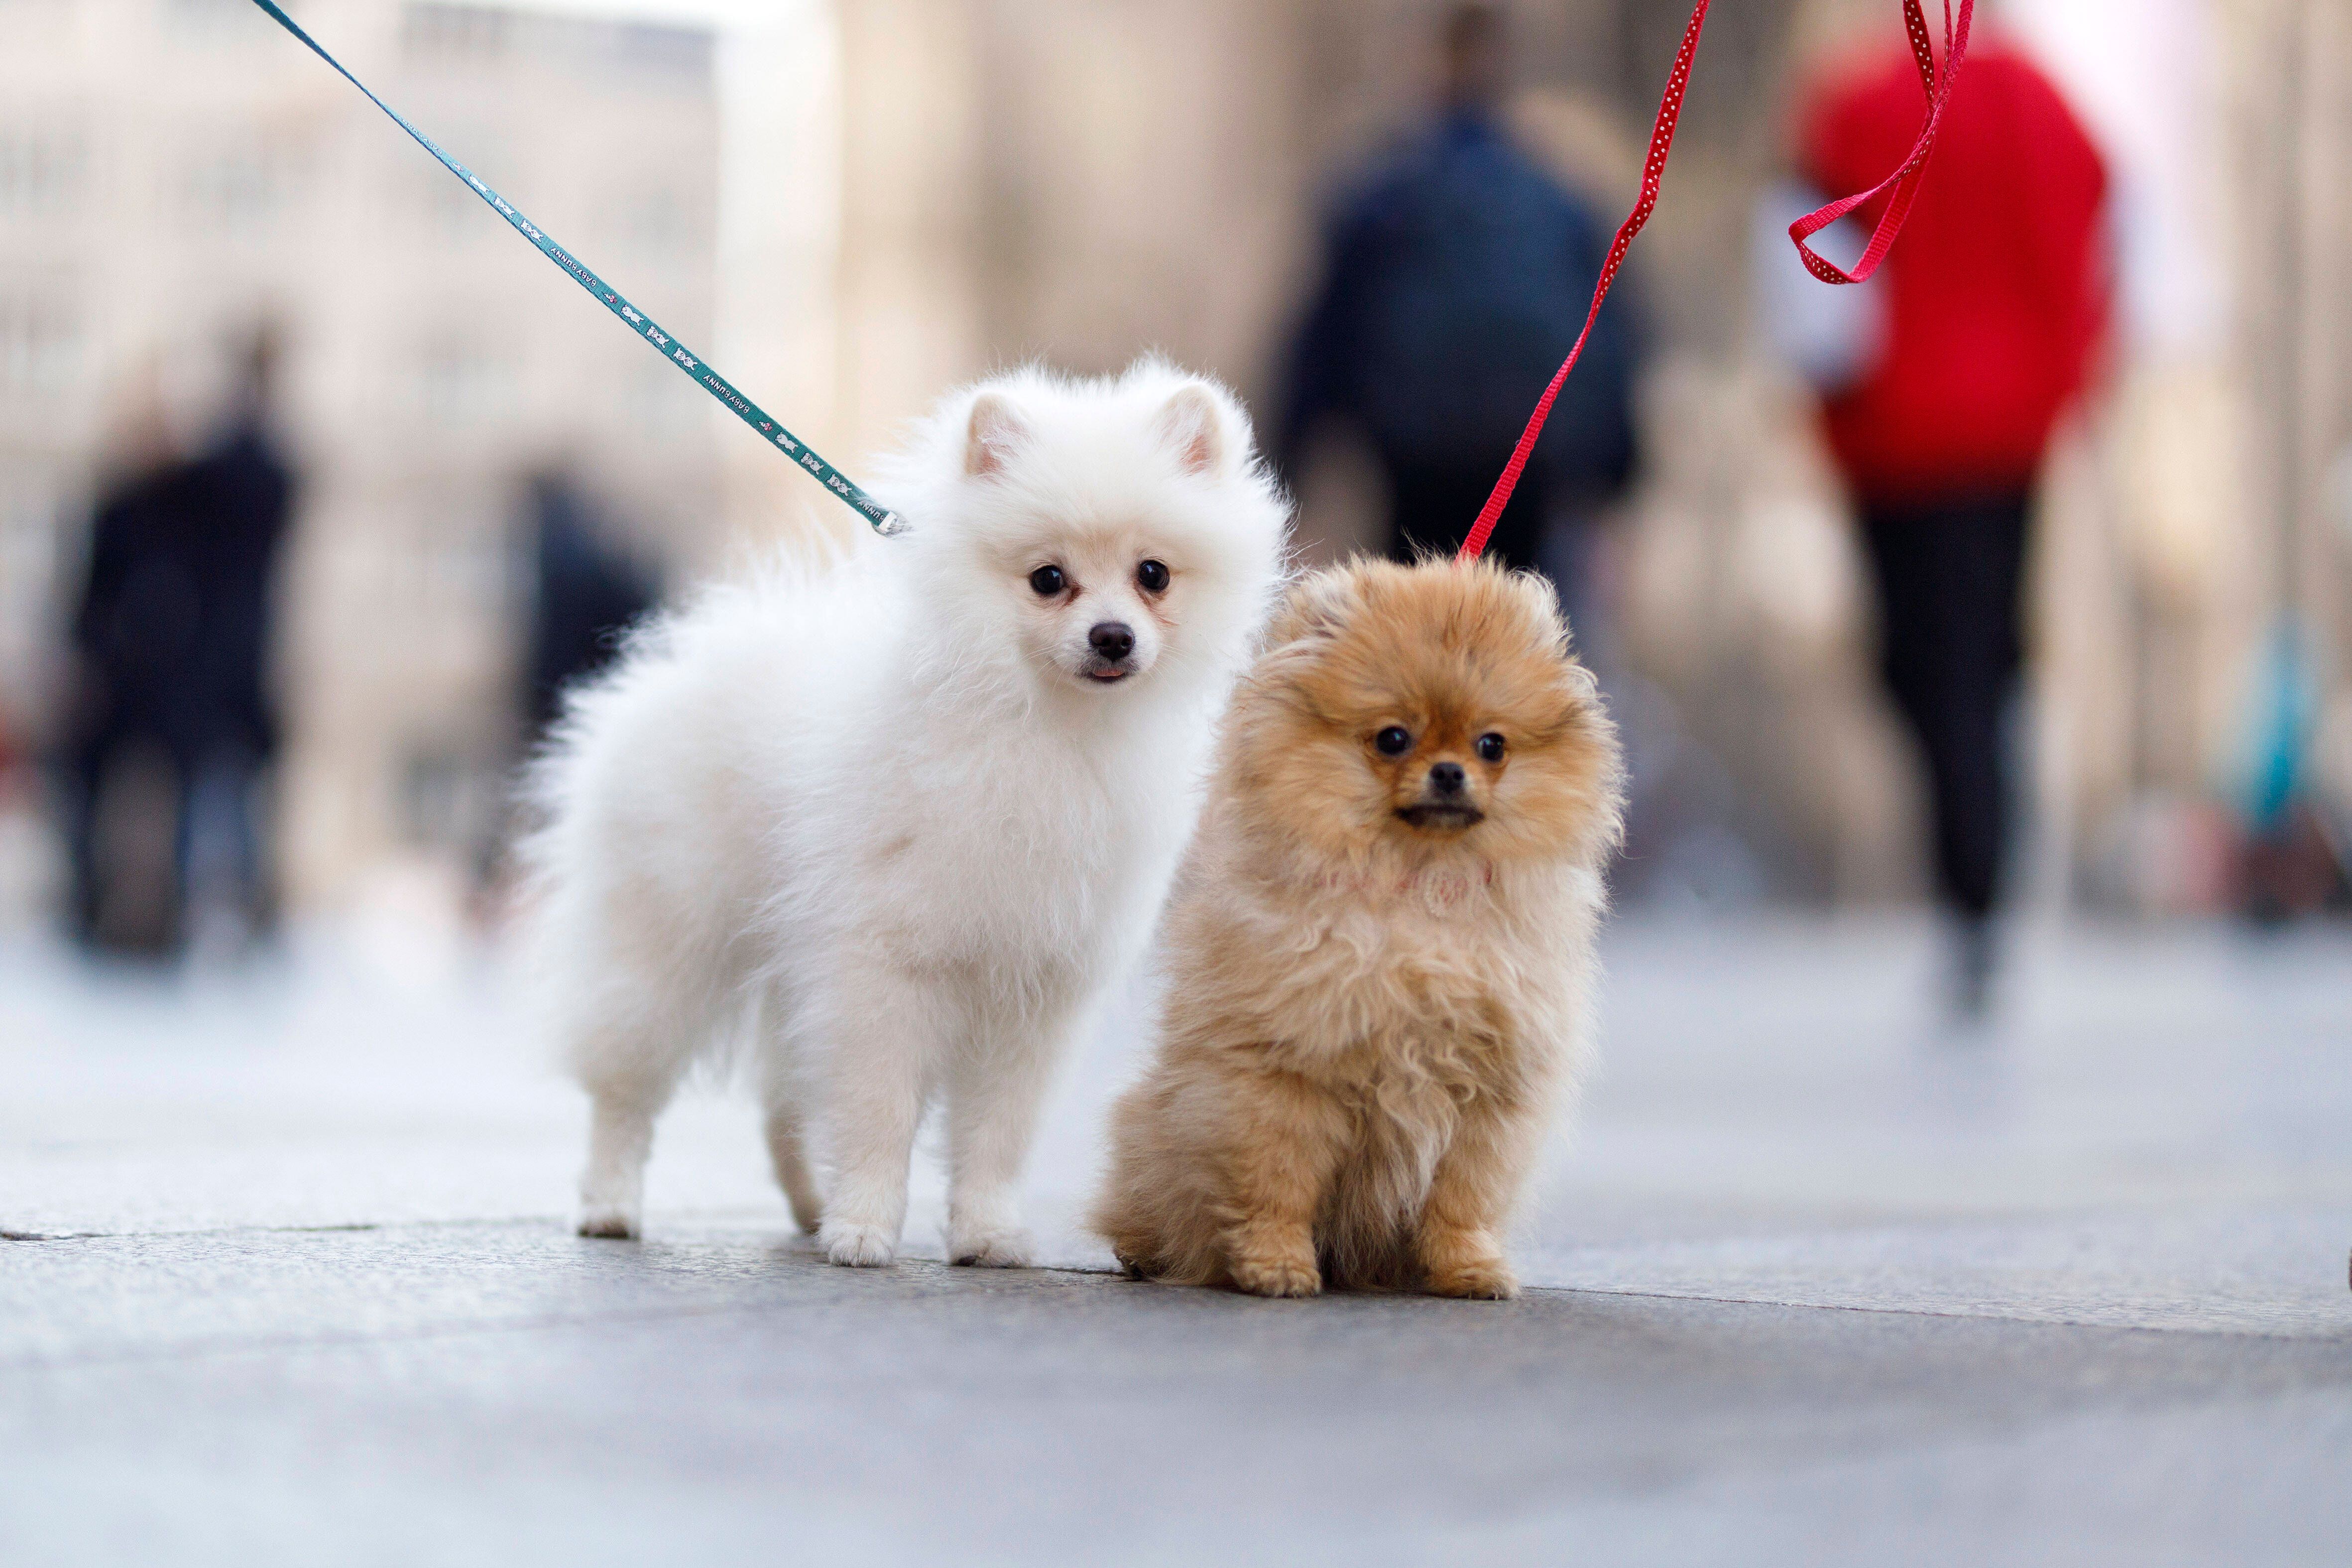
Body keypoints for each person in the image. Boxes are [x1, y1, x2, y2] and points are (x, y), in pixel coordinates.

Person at [1791, 29, 2110, 1014]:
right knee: (1985, 649)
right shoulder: (2039, 102)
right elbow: (2093, 221)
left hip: (1895, 433)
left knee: (1919, 662)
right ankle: (1980, 876)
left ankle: (1969, 878)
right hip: (2007, 430)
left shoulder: (1856, 105)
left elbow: (1806, 245)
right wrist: (2070, 365)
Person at [1275, 2, 1640, 589]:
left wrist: (1286, 470)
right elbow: (1609, 334)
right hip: (1527, 462)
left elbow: (1323, 338)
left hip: (1413, 465)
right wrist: (1617, 473)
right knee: (1519, 618)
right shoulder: (1555, 199)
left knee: (1416, 615)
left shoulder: (1381, 196)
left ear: (1431, 71)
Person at [63, 332, 296, 954]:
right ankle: (112, 915)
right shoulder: (121, 505)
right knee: (121, 806)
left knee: (203, 800)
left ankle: (194, 920)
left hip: (194, 681)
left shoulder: (203, 495)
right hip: (128, 680)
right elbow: (89, 595)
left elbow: (259, 483)